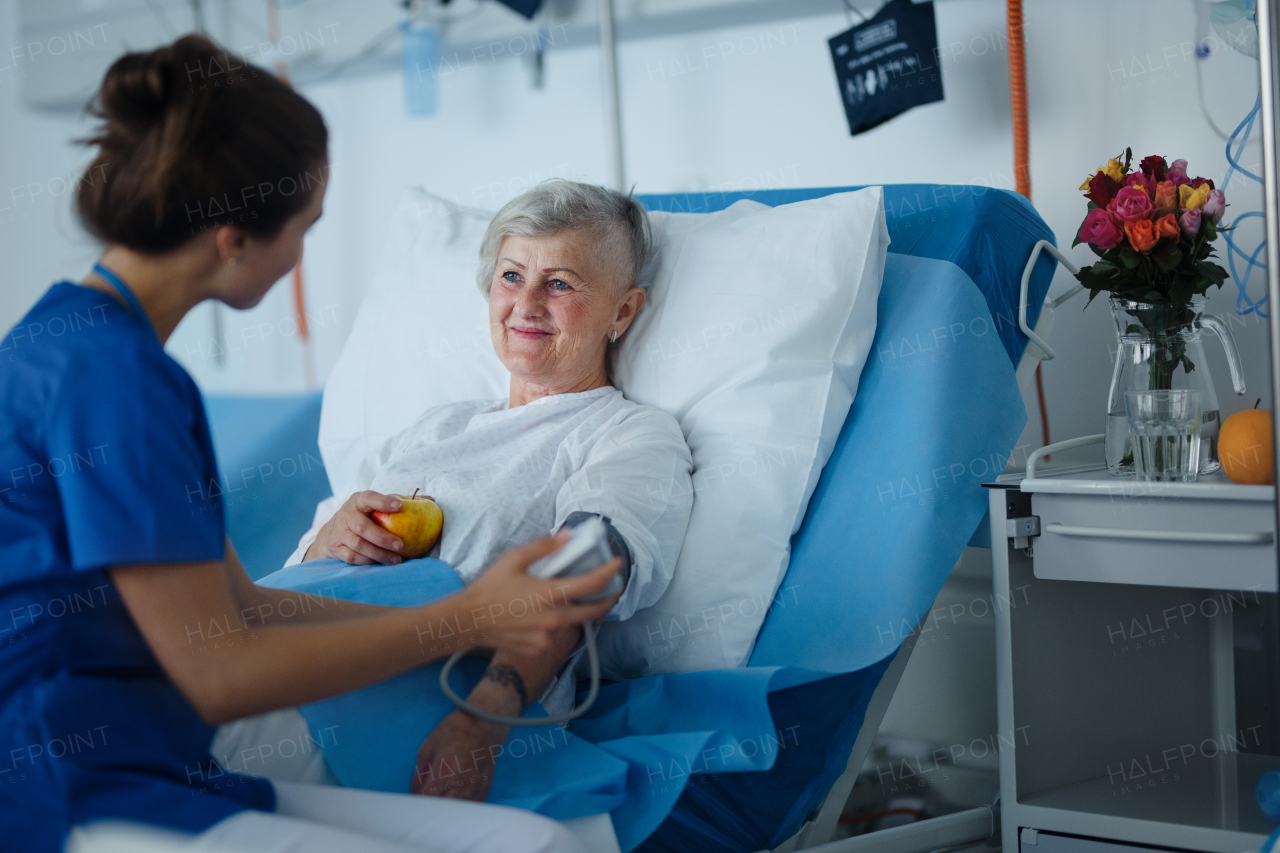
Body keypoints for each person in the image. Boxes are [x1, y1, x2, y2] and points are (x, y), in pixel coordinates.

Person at [0, 35, 618, 853]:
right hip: (65, 791)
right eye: (303, 229)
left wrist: (472, 625)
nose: (299, 258)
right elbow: (218, 675)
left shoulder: (67, 339)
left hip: (143, 762)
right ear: (232, 237)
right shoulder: (115, 379)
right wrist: (468, 612)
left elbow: (245, 606)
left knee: (537, 843)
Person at [255, 180, 695, 801]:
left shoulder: (625, 433)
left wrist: (482, 721)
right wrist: (331, 538)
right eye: (512, 276)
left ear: (622, 312)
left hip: (400, 698)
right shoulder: (435, 427)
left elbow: (587, 567)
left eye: (561, 283)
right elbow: (296, 574)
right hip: (283, 649)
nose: (527, 304)